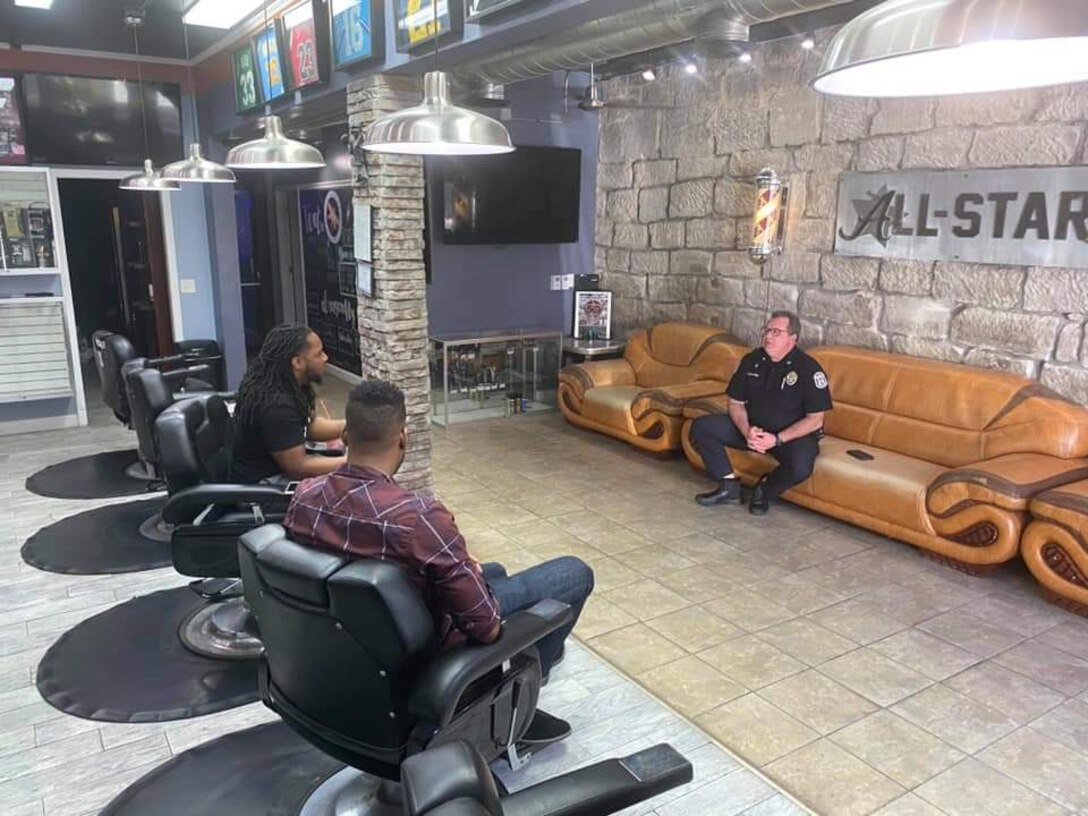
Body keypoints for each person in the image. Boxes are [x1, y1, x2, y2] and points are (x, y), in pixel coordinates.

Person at [284, 379, 594, 746]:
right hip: (421, 652)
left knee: (494, 572)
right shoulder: (419, 518)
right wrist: (456, 563)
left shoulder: (305, 496)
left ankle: (517, 674)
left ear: (347, 436)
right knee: (574, 573)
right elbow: (486, 628)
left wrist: (458, 564)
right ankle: (513, 704)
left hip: (355, 645)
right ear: (403, 437)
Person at [690, 310, 832, 515]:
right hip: (753, 429)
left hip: (789, 437)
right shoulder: (752, 360)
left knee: (801, 466)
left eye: (776, 332)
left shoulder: (808, 369)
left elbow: (815, 420)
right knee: (703, 427)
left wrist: (777, 439)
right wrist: (747, 430)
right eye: (766, 330)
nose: (768, 336)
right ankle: (729, 487)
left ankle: (764, 491)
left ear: (792, 338)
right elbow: (736, 402)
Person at [229, 324, 347, 484]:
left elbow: (309, 426)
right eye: (318, 354)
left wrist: (351, 427)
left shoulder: (292, 387)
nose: (325, 358)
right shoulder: (276, 405)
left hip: (281, 472)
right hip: (263, 490)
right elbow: (299, 467)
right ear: (297, 362)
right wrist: (353, 462)